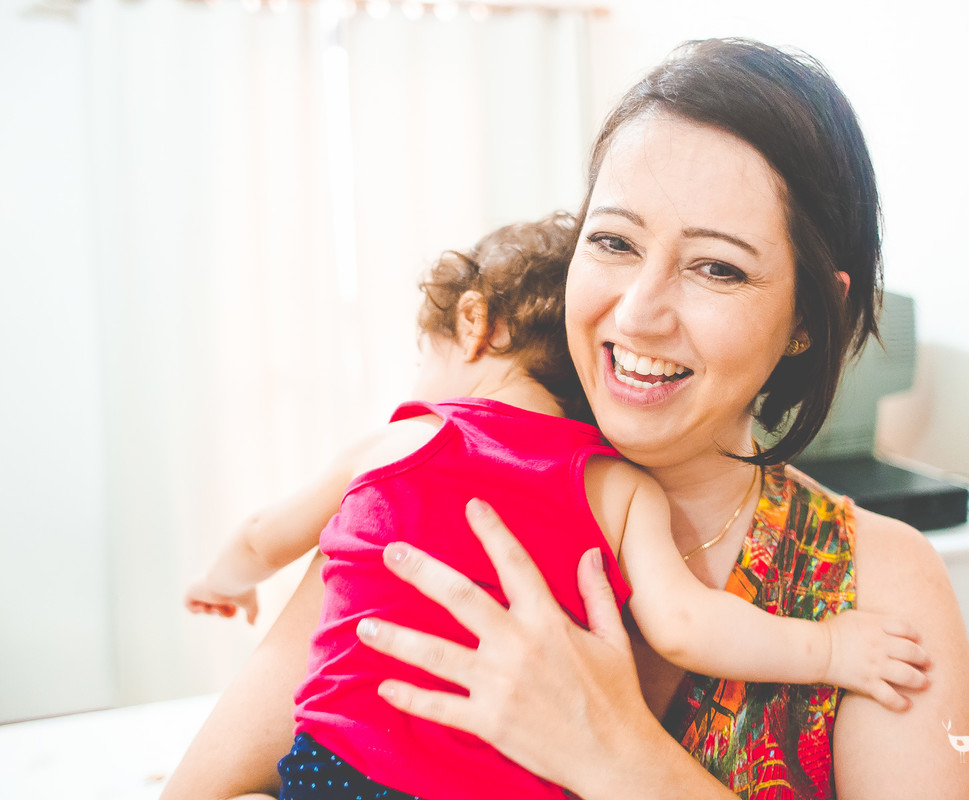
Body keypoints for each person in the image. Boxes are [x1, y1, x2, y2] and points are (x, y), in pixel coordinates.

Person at [162, 37, 969, 800]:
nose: (638, 314)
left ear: (810, 313)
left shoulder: (873, 587)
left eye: (716, 268)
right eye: (616, 244)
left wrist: (619, 757)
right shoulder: (430, 502)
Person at [182, 213, 929, 799]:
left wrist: (225, 581)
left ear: (474, 323)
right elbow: (687, 626)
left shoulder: (397, 448)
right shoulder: (616, 486)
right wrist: (830, 650)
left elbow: (259, 536)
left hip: (335, 771)